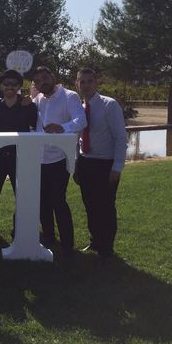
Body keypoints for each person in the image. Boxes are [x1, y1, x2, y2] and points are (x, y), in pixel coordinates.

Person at [32, 66, 87, 256]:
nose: (42, 82)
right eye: (38, 80)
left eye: (45, 77)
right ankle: (48, 237)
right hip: (39, 158)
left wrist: (62, 127)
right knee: (42, 201)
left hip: (59, 158)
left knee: (58, 200)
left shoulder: (69, 96)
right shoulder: (37, 99)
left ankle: (67, 243)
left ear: (53, 76)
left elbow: (81, 121)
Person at [74, 68, 127, 258]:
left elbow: (121, 138)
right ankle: (95, 241)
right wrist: (75, 164)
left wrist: (117, 167)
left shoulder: (109, 105)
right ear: (77, 84)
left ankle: (107, 248)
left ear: (96, 83)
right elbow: (78, 137)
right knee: (89, 205)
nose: (86, 85)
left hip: (105, 164)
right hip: (85, 163)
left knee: (105, 206)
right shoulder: (78, 107)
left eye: (90, 81)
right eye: (82, 82)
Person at [0, 69, 38, 240]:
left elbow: (34, 125)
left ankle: (20, 230)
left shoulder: (28, 105)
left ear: (19, 87)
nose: (10, 87)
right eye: (6, 84)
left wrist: (28, 106)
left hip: (20, 156)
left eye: (14, 84)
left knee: (22, 196)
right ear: (1, 86)